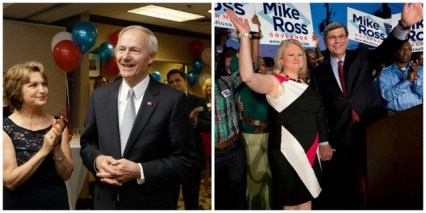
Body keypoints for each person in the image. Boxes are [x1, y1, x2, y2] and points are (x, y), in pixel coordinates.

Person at [310, 3, 423, 209]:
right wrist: (323, 141)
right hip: (340, 137)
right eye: (332, 37)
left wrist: (404, 26)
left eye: (341, 36)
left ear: (347, 39)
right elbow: (319, 108)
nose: (337, 41)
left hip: (372, 130)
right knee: (347, 187)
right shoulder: (318, 73)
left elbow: (385, 49)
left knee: (379, 178)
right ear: (326, 41)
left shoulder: (361, 57)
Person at [79, 25, 197, 210]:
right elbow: (87, 144)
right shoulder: (99, 97)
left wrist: (139, 171)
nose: (125, 57)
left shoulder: (172, 100)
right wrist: (98, 160)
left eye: (134, 50)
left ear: (151, 56)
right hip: (105, 202)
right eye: (121, 49)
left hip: (150, 203)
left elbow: (185, 161)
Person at [226, 9, 328, 210]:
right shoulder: (275, 82)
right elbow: (248, 77)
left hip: (311, 151)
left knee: (307, 200)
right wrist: (246, 36)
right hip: (287, 152)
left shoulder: (308, 84)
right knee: (291, 204)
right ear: (281, 59)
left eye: (300, 54)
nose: (297, 57)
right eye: (291, 54)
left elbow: (317, 115)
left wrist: (323, 143)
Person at [3, 61, 73, 210]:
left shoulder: (58, 124)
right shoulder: (4, 128)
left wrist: (56, 149)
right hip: (19, 203)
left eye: (44, 84)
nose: (43, 90)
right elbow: (10, 181)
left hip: (55, 202)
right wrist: (45, 150)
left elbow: (66, 174)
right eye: (33, 85)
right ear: (16, 91)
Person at [233, 14, 272, 210]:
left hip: (270, 136)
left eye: (264, 65)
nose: (261, 67)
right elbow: (251, 60)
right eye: (258, 65)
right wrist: (250, 34)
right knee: (255, 178)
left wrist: (256, 32)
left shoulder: (271, 87)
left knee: (269, 177)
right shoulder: (242, 77)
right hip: (251, 135)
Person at [166, 69, 210, 210]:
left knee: (191, 201)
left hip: (192, 160)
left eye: (177, 80)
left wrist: (195, 121)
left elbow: (209, 126)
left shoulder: (198, 101)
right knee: (170, 201)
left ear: (185, 82)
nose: (174, 84)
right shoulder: (164, 104)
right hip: (170, 159)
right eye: (171, 82)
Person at [214, 27, 247, 209]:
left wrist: (246, 36)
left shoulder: (225, 82)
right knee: (219, 200)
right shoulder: (204, 90)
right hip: (215, 154)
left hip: (234, 149)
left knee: (238, 198)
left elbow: (246, 71)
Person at [379, 41, 423, 113]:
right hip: (395, 116)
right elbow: (387, 96)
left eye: (409, 50)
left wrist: (416, 79)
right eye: (402, 49)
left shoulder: (420, 70)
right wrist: (408, 81)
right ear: (395, 52)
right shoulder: (385, 73)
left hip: (417, 114)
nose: (406, 53)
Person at [200, 77, 212, 197]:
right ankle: (206, 186)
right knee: (206, 164)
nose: (209, 88)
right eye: (207, 86)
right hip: (205, 135)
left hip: (217, 135)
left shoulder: (218, 100)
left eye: (211, 86)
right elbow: (199, 119)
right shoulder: (201, 102)